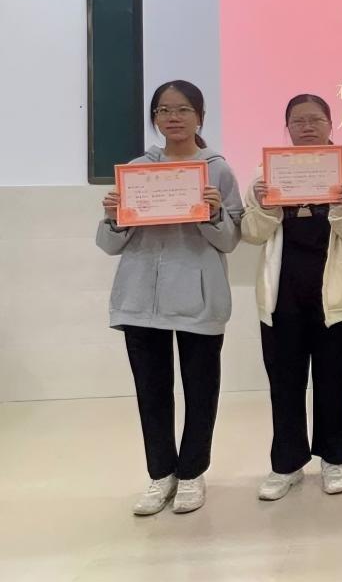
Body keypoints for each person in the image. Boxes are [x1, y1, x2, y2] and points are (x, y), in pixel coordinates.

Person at [97, 80, 242, 515]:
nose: (173, 118)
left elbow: (230, 239)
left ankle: (193, 473)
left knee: (200, 391)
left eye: (182, 109)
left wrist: (213, 213)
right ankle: (161, 475)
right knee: (151, 393)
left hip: (198, 298)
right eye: (163, 110)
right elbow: (109, 245)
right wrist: (114, 216)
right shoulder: (137, 170)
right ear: (155, 118)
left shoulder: (218, 170)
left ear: (200, 116)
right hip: (141, 299)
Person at [241, 94, 342, 501]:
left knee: (335, 380)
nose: (307, 127)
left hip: (334, 293)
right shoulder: (265, 173)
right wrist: (264, 206)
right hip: (282, 294)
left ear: (331, 124)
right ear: (287, 127)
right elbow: (252, 234)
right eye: (298, 121)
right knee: (285, 382)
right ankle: (287, 464)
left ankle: (334, 460)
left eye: (316, 119)